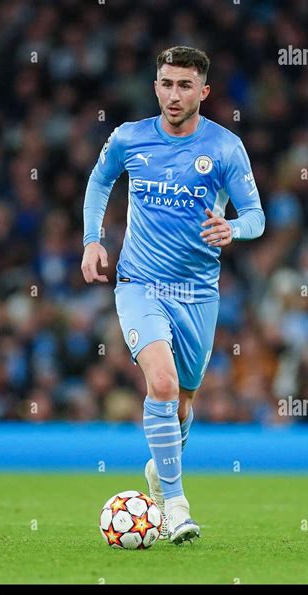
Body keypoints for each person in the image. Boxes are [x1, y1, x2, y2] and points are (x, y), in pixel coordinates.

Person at [81, 46, 265, 545]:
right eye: (166, 83)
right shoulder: (129, 138)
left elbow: (256, 215)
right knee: (160, 384)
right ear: (155, 85)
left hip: (198, 292)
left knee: (182, 404)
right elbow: (100, 182)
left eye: (185, 85)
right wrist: (92, 239)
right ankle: (176, 506)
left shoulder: (225, 148)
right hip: (139, 283)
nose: (174, 94)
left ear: (203, 91)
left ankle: (158, 471)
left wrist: (234, 228)